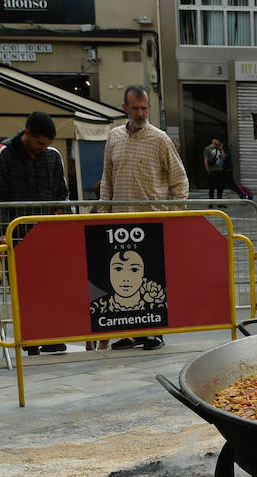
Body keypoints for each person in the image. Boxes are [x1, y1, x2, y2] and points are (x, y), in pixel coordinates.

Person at [99, 86, 188, 351]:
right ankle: (127, 331)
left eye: (144, 108)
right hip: (119, 223)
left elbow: (179, 180)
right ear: (125, 108)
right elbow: (107, 178)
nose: (140, 113)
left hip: (153, 222)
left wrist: (175, 216)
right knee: (121, 279)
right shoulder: (114, 136)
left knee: (150, 279)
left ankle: (153, 332)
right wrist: (104, 213)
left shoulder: (160, 139)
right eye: (135, 108)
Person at [0, 111, 71, 353]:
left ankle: (52, 336)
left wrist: (59, 222)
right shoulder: (4, 152)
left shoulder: (52, 156)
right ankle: (30, 340)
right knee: (23, 290)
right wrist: (1, 232)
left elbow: (62, 195)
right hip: (16, 235)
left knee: (51, 287)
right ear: (27, 134)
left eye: (47, 144)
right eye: (40, 143)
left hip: (46, 236)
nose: (44, 148)